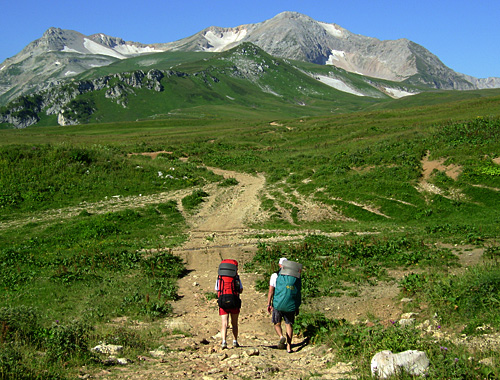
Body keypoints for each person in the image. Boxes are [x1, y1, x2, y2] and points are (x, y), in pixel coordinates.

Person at [267, 257, 301, 353]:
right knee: (288, 324)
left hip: (278, 303)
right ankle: (289, 347)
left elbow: (271, 291)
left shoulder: (275, 275)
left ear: (279, 265)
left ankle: (281, 336)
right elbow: (298, 292)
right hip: (290, 304)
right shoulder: (294, 277)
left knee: (277, 323)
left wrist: (268, 304)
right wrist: (297, 306)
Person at [215, 261, 243, 349]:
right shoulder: (236, 278)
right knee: (234, 323)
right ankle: (235, 341)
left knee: (224, 323)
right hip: (234, 301)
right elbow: (240, 289)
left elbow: (216, 289)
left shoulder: (219, 278)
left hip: (223, 301)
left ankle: (224, 341)